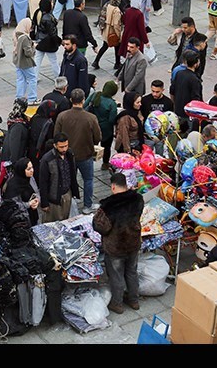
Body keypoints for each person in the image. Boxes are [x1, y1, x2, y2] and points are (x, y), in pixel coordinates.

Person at [93, 172, 144, 314]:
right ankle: (134, 300)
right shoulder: (138, 199)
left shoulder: (108, 206)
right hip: (133, 242)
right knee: (132, 271)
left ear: (113, 186)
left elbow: (101, 227)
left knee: (116, 275)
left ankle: (117, 303)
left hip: (116, 246)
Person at [37, 132, 79, 222]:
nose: (64, 149)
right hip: (53, 197)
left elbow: (73, 173)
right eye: (61, 147)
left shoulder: (69, 154)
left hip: (67, 193)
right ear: (55, 146)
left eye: (66, 146)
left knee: (65, 220)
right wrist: (44, 203)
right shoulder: (47, 159)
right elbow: (43, 182)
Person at [85, 81, 119, 171]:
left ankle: (88, 162)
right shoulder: (112, 104)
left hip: (92, 126)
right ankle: (105, 163)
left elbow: (84, 106)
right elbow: (112, 120)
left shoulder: (95, 95)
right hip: (106, 129)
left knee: (90, 145)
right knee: (106, 147)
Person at [2, 158, 41, 226]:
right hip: (21, 220)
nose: (32, 170)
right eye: (28, 169)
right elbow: (13, 205)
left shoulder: (30, 178)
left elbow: (36, 191)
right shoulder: (13, 186)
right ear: (22, 170)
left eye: (32, 167)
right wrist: (29, 204)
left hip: (33, 215)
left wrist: (37, 200)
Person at [171, 52, 203, 132]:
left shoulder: (179, 73)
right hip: (189, 114)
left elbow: (172, 91)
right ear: (196, 64)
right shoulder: (195, 80)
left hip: (178, 110)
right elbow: (196, 100)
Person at [31, 0, 61, 77]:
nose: (52, 4)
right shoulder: (48, 18)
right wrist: (59, 42)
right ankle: (58, 77)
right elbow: (52, 33)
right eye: (51, 2)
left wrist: (33, 37)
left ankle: (34, 77)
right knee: (54, 61)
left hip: (39, 40)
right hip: (49, 42)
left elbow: (33, 26)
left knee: (37, 60)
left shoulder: (37, 12)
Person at [92, 0, 123, 71]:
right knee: (117, 46)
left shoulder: (108, 5)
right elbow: (116, 24)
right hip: (112, 31)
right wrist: (119, 34)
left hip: (106, 29)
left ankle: (96, 61)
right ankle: (117, 63)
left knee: (105, 45)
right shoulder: (116, 10)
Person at [13, 18, 38, 103]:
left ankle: (19, 97)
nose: (31, 29)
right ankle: (32, 98)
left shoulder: (16, 33)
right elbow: (28, 53)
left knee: (20, 79)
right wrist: (33, 46)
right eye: (30, 27)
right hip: (25, 63)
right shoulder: (25, 38)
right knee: (32, 78)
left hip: (18, 61)